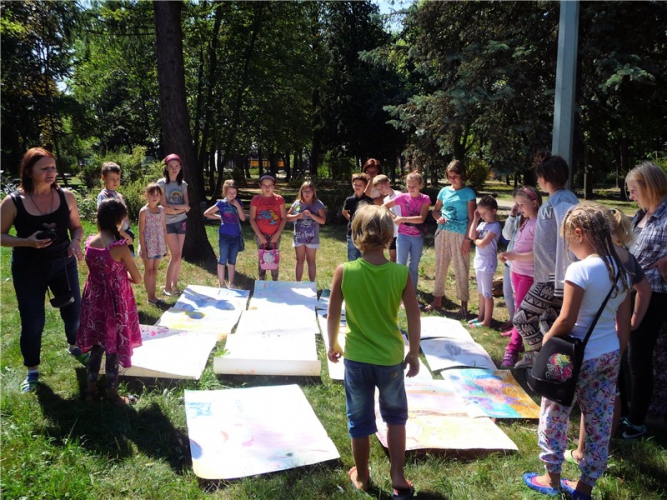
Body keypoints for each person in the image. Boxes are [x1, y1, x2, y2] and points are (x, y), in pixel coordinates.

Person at [523, 202, 631, 500]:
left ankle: (551, 477)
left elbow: (566, 320)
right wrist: (615, 357)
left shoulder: (579, 270)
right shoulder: (621, 271)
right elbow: (623, 325)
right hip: (608, 354)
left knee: (554, 412)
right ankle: (585, 487)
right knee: (599, 421)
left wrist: (546, 343)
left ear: (580, 233)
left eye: (567, 239)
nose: (568, 246)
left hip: (571, 356)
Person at [327, 204, 420, 499]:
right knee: (395, 418)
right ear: (390, 237)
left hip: (356, 360)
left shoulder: (344, 271)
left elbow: (332, 313)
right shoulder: (401, 273)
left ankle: (363, 476)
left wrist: (332, 344)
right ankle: (397, 475)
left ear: (356, 235)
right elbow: (414, 316)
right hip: (390, 360)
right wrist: (414, 352)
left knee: (359, 420)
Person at [568, 205, 652, 463]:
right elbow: (642, 293)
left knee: (579, 402)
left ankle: (579, 453)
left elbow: (569, 316)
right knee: (606, 400)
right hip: (611, 345)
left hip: (588, 346)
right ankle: (599, 450)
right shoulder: (624, 259)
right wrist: (630, 326)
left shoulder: (589, 264)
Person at [0, 147, 86, 393]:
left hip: (63, 264)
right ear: (29, 171)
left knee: (74, 313)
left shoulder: (66, 196)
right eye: (44, 168)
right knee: (33, 321)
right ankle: (32, 371)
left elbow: (77, 227)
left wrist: (75, 241)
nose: (51, 172)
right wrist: (26, 242)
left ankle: (75, 347)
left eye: (53, 168)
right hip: (29, 269)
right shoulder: (13, 202)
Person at [513, 153, 579, 368]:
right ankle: (554, 366)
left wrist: (563, 278)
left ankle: (538, 357)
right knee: (547, 321)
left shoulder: (562, 202)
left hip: (553, 278)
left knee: (522, 319)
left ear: (546, 177)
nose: (538, 180)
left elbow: (569, 240)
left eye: (539, 176)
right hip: (550, 276)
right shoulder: (559, 200)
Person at [616, 161, 667, 439]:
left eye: (633, 189)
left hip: (655, 295)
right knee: (628, 355)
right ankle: (626, 412)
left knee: (639, 357)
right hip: (632, 291)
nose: (631, 195)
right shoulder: (641, 215)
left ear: (649, 186)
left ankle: (636, 422)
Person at [78, 199, 143, 405]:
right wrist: (122, 277)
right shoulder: (119, 248)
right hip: (114, 304)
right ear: (118, 221)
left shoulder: (90, 243)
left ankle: (89, 391)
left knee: (97, 345)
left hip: (93, 301)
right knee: (112, 346)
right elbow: (137, 278)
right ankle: (112, 394)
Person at [426, 160, 476, 319]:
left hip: (461, 235)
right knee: (440, 265)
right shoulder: (443, 191)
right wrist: (438, 218)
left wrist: (467, 239)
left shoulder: (469, 193)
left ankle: (463, 305)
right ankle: (437, 300)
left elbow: (472, 218)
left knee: (461, 267)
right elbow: (435, 211)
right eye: (449, 176)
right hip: (443, 232)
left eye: (455, 176)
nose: (452, 179)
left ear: (462, 175)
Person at [498, 186, 542, 366]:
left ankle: (513, 349)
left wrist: (514, 256)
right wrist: (510, 256)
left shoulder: (538, 223)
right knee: (518, 307)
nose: (519, 208)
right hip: (516, 271)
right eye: (517, 204)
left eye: (522, 204)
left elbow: (538, 253)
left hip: (528, 274)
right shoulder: (526, 220)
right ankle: (521, 343)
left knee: (520, 313)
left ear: (534, 203)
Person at [383, 171, 431, 289]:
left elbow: (421, 218)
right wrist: (394, 217)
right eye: (409, 185)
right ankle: (399, 291)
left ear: (420, 185)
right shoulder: (402, 197)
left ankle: (412, 292)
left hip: (417, 236)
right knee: (400, 265)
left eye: (414, 186)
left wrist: (402, 219)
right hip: (403, 235)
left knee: (413, 266)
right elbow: (384, 206)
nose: (411, 188)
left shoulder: (425, 199)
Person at [204, 179, 246, 288]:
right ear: (225, 192)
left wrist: (238, 206)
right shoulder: (221, 203)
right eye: (229, 193)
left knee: (232, 260)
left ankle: (231, 283)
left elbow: (243, 218)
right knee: (222, 259)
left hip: (236, 236)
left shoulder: (238, 202)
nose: (232, 195)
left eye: (234, 193)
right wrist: (219, 217)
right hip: (224, 236)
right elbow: (207, 213)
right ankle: (222, 284)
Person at [158, 153, 190, 296]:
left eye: (176, 166)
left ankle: (174, 285)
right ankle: (167, 288)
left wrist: (175, 208)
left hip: (181, 221)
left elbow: (187, 206)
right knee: (175, 255)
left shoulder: (183, 184)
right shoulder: (161, 184)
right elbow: (164, 206)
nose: (174, 169)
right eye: (171, 166)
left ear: (180, 167)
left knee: (178, 254)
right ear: (166, 168)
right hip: (168, 223)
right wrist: (180, 208)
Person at [468, 195, 501, 328]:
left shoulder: (495, 226)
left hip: (488, 262)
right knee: (481, 291)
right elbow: (471, 235)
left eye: (484, 213)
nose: (482, 216)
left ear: (494, 211)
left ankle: (487, 321)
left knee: (487, 293)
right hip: (479, 261)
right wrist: (475, 219)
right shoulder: (482, 224)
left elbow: (482, 243)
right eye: (480, 213)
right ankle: (480, 316)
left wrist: (475, 240)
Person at [285, 181, 326, 282]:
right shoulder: (297, 203)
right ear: (301, 192)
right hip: (299, 237)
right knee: (299, 260)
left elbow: (323, 220)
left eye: (309, 191)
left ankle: (312, 283)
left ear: (313, 192)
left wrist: (311, 215)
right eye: (305, 191)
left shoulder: (318, 204)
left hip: (312, 237)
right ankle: (298, 283)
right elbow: (287, 217)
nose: (307, 193)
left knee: (311, 260)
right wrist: (297, 216)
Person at [249, 174, 286, 281]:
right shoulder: (256, 199)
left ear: (274, 186)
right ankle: (262, 281)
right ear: (260, 186)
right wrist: (260, 236)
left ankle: (275, 282)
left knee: (274, 257)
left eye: (270, 185)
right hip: (260, 235)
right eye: (264, 185)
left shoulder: (279, 199)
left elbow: (284, 218)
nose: (267, 188)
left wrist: (277, 234)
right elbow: (252, 219)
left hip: (275, 234)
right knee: (262, 258)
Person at [138, 183, 168, 305]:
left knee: (155, 270)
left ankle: (153, 294)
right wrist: (144, 249)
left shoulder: (162, 210)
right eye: (152, 194)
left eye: (157, 194)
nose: (155, 197)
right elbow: (141, 231)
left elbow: (164, 228)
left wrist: (165, 245)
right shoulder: (144, 211)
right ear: (146, 195)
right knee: (149, 270)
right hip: (148, 245)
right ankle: (150, 296)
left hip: (159, 244)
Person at [96, 161, 134, 254]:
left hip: (124, 231)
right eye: (112, 179)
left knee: (127, 256)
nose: (115, 181)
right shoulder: (103, 196)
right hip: (113, 233)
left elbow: (125, 215)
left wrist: (129, 230)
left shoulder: (119, 195)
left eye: (118, 178)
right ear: (103, 178)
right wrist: (125, 235)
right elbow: (104, 219)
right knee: (118, 256)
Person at [342, 173, 373, 262]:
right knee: (352, 257)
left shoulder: (369, 200)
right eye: (355, 184)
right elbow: (344, 211)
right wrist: (352, 220)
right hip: (352, 232)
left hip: (365, 232)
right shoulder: (349, 200)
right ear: (352, 185)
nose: (357, 187)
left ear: (365, 186)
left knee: (364, 258)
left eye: (360, 185)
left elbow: (372, 214)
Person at [373, 175, 401, 262]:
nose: (381, 190)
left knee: (400, 257)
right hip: (392, 232)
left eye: (382, 187)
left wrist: (394, 216)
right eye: (378, 189)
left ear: (388, 184)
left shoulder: (399, 195)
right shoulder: (385, 200)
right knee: (392, 257)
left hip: (401, 232)